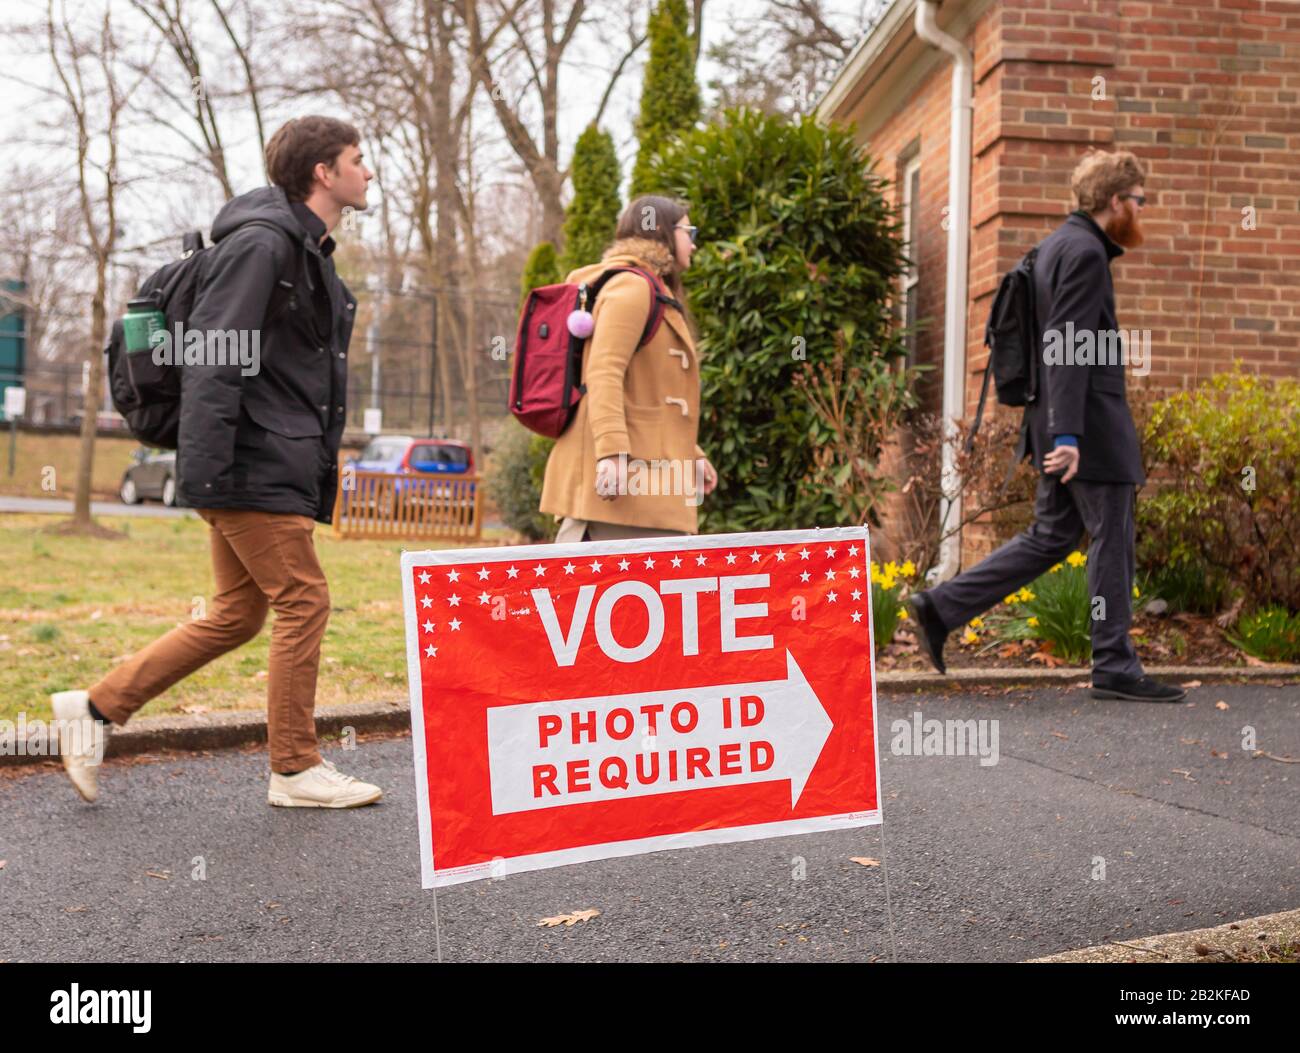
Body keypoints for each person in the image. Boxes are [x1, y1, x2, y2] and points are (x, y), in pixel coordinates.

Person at [51, 116, 384, 805]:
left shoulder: (304, 251)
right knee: (305, 598)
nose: (368, 170)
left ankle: (93, 708)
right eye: (358, 159)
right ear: (324, 173)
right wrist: (205, 469)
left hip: (262, 457)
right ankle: (293, 767)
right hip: (248, 461)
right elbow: (211, 355)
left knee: (238, 612)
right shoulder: (263, 246)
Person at [908, 150, 1187, 703]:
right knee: (1113, 539)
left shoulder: (1057, 246)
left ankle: (941, 607)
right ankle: (1114, 664)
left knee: (1051, 537)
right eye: (1139, 201)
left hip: (1060, 420)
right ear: (1116, 202)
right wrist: (1068, 437)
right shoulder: (1084, 253)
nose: (1141, 211)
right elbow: (1065, 346)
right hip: (1088, 429)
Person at [540, 195, 718, 542]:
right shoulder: (633, 287)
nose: (694, 244)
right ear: (664, 233)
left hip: (645, 487)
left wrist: (691, 454)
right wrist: (611, 455)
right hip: (623, 490)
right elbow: (603, 371)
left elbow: (651, 392)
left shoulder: (651, 288)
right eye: (688, 231)